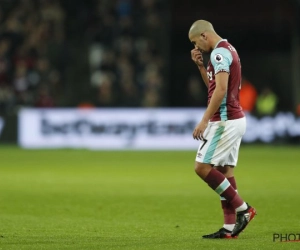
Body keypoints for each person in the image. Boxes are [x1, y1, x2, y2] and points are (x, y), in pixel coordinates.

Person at [188, 20, 256, 239]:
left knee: (201, 168)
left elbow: (222, 91)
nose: (196, 47)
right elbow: (213, 89)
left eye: (195, 42)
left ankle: (243, 209)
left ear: (204, 35)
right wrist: (200, 66)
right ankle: (228, 229)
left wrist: (204, 120)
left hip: (224, 121)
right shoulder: (227, 50)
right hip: (234, 119)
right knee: (225, 172)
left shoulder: (218, 54)